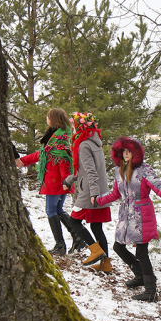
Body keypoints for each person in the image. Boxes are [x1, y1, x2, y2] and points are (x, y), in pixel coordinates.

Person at [96, 137, 161, 299]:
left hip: (142, 216)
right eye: (123, 152)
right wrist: (98, 200)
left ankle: (151, 292)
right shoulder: (118, 171)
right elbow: (115, 193)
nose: (126, 155)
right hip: (125, 216)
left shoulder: (144, 170)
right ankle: (140, 276)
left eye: (129, 152)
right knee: (118, 247)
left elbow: (159, 186)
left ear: (135, 153)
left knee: (142, 253)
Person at [16, 108, 74, 257]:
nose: (46, 119)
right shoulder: (58, 136)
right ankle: (77, 237)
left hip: (55, 181)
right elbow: (43, 154)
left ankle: (60, 245)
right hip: (59, 180)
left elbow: (60, 159)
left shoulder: (57, 138)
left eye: (48, 116)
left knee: (51, 211)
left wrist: (66, 179)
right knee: (58, 209)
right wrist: (22, 161)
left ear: (53, 119)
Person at [62, 112, 112, 267]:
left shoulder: (83, 145)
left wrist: (94, 194)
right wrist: (68, 180)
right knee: (97, 227)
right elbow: (82, 171)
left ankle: (96, 251)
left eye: (73, 128)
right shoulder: (95, 143)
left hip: (91, 191)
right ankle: (105, 264)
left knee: (74, 221)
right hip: (100, 189)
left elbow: (91, 172)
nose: (73, 131)